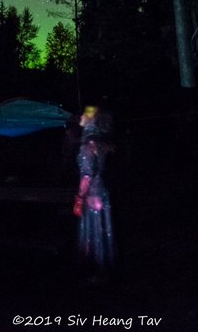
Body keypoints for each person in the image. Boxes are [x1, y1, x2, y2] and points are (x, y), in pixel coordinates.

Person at [74, 105, 115, 278]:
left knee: (94, 233)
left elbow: (86, 176)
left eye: (86, 113)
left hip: (92, 196)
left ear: (92, 120)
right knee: (101, 232)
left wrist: (79, 197)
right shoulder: (99, 143)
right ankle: (104, 270)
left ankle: (96, 272)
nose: (82, 115)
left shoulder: (86, 147)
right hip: (102, 194)